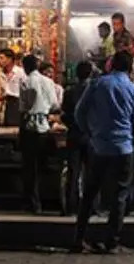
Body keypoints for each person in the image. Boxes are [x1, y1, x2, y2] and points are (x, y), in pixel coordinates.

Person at [73, 51, 134, 253]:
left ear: (111, 65)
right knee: (119, 196)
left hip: (99, 148)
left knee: (89, 194)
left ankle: (79, 238)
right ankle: (111, 241)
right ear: (130, 68)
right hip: (124, 148)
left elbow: (79, 112)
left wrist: (90, 132)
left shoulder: (96, 85)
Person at [18, 54, 56, 214]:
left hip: (30, 127)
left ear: (25, 67)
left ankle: (34, 203)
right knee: (42, 165)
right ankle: (47, 200)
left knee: (30, 167)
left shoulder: (25, 82)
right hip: (45, 126)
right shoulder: (48, 82)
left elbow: (23, 107)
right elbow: (55, 104)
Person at [61, 61, 95, 215]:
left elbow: (64, 114)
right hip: (91, 136)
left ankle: (70, 206)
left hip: (74, 134)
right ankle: (92, 207)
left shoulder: (69, 92)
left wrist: (71, 124)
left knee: (73, 173)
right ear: (90, 74)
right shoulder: (95, 91)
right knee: (92, 173)